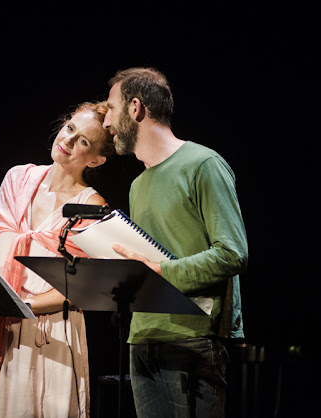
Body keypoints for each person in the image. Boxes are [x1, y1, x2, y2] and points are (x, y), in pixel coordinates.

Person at [103, 67, 248, 417]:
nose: (106, 122)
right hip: (142, 336)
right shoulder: (138, 185)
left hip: (192, 337)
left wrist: (160, 271)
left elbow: (233, 253)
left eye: (110, 108)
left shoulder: (203, 164)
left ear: (135, 107)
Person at [0, 101, 115, 417]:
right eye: (69, 128)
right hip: (1, 323)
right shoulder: (17, 179)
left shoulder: (92, 206)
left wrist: (21, 305)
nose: (68, 140)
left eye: (83, 141)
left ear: (96, 159)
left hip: (50, 330)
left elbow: (81, 286)